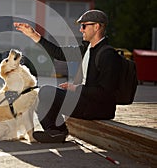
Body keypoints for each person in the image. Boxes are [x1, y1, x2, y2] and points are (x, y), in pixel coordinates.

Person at [14, 9, 121, 143]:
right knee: (42, 94)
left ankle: (57, 131)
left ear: (97, 26)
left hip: (98, 107)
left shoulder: (108, 55)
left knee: (47, 92)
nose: (81, 30)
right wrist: (33, 35)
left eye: (84, 26)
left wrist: (75, 88)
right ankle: (56, 131)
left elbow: (105, 93)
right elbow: (59, 53)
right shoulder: (86, 49)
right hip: (85, 100)